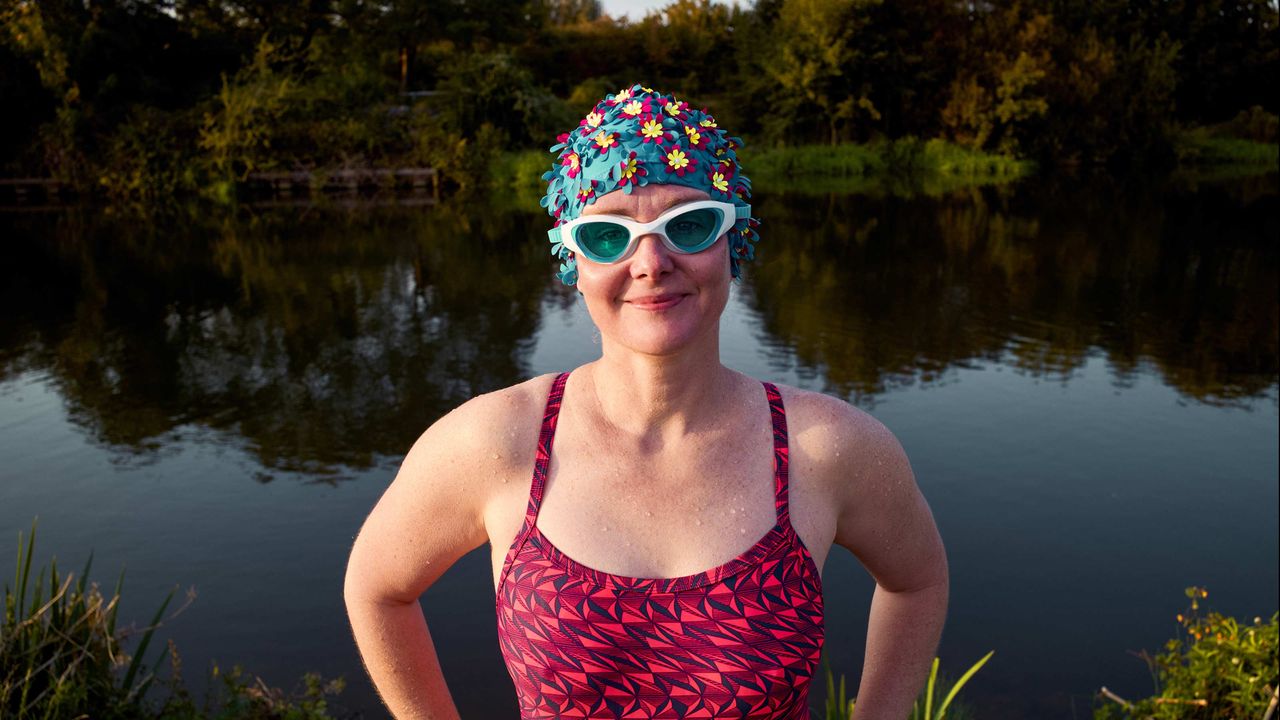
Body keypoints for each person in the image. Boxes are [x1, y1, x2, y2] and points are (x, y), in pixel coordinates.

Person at [344, 84, 948, 720]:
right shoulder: (498, 442)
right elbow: (378, 588)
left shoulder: (827, 449)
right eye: (608, 236)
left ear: (732, 240)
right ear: (572, 258)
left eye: (688, 225)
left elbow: (917, 581)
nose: (651, 262)